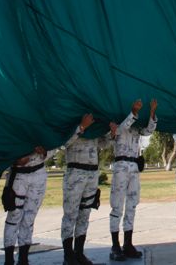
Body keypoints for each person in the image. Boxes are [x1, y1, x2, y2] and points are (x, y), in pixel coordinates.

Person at [109, 98, 157, 261]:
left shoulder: (137, 128)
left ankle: (128, 244)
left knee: (132, 205)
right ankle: (115, 246)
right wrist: (134, 112)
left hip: (134, 167)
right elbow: (120, 130)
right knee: (117, 206)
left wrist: (152, 113)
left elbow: (149, 131)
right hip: (121, 166)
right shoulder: (117, 125)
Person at [61, 113, 112, 265]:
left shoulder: (95, 125)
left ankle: (79, 253)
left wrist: (112, 133)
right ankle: (68, 255)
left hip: (92, 173)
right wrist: (82, 127)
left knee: (85, 214)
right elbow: (63, 144)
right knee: (70, 214)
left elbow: (103, 144)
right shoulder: (71, 123)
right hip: (75, 172)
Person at [2, 145, 48, 265]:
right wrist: (14, 160)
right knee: (14, 217)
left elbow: (54, 143)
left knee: (29, 218)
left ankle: (23, 259)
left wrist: (45, 152)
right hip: (18, 175)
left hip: (38, 174)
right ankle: (8, 260)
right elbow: (2, 147)